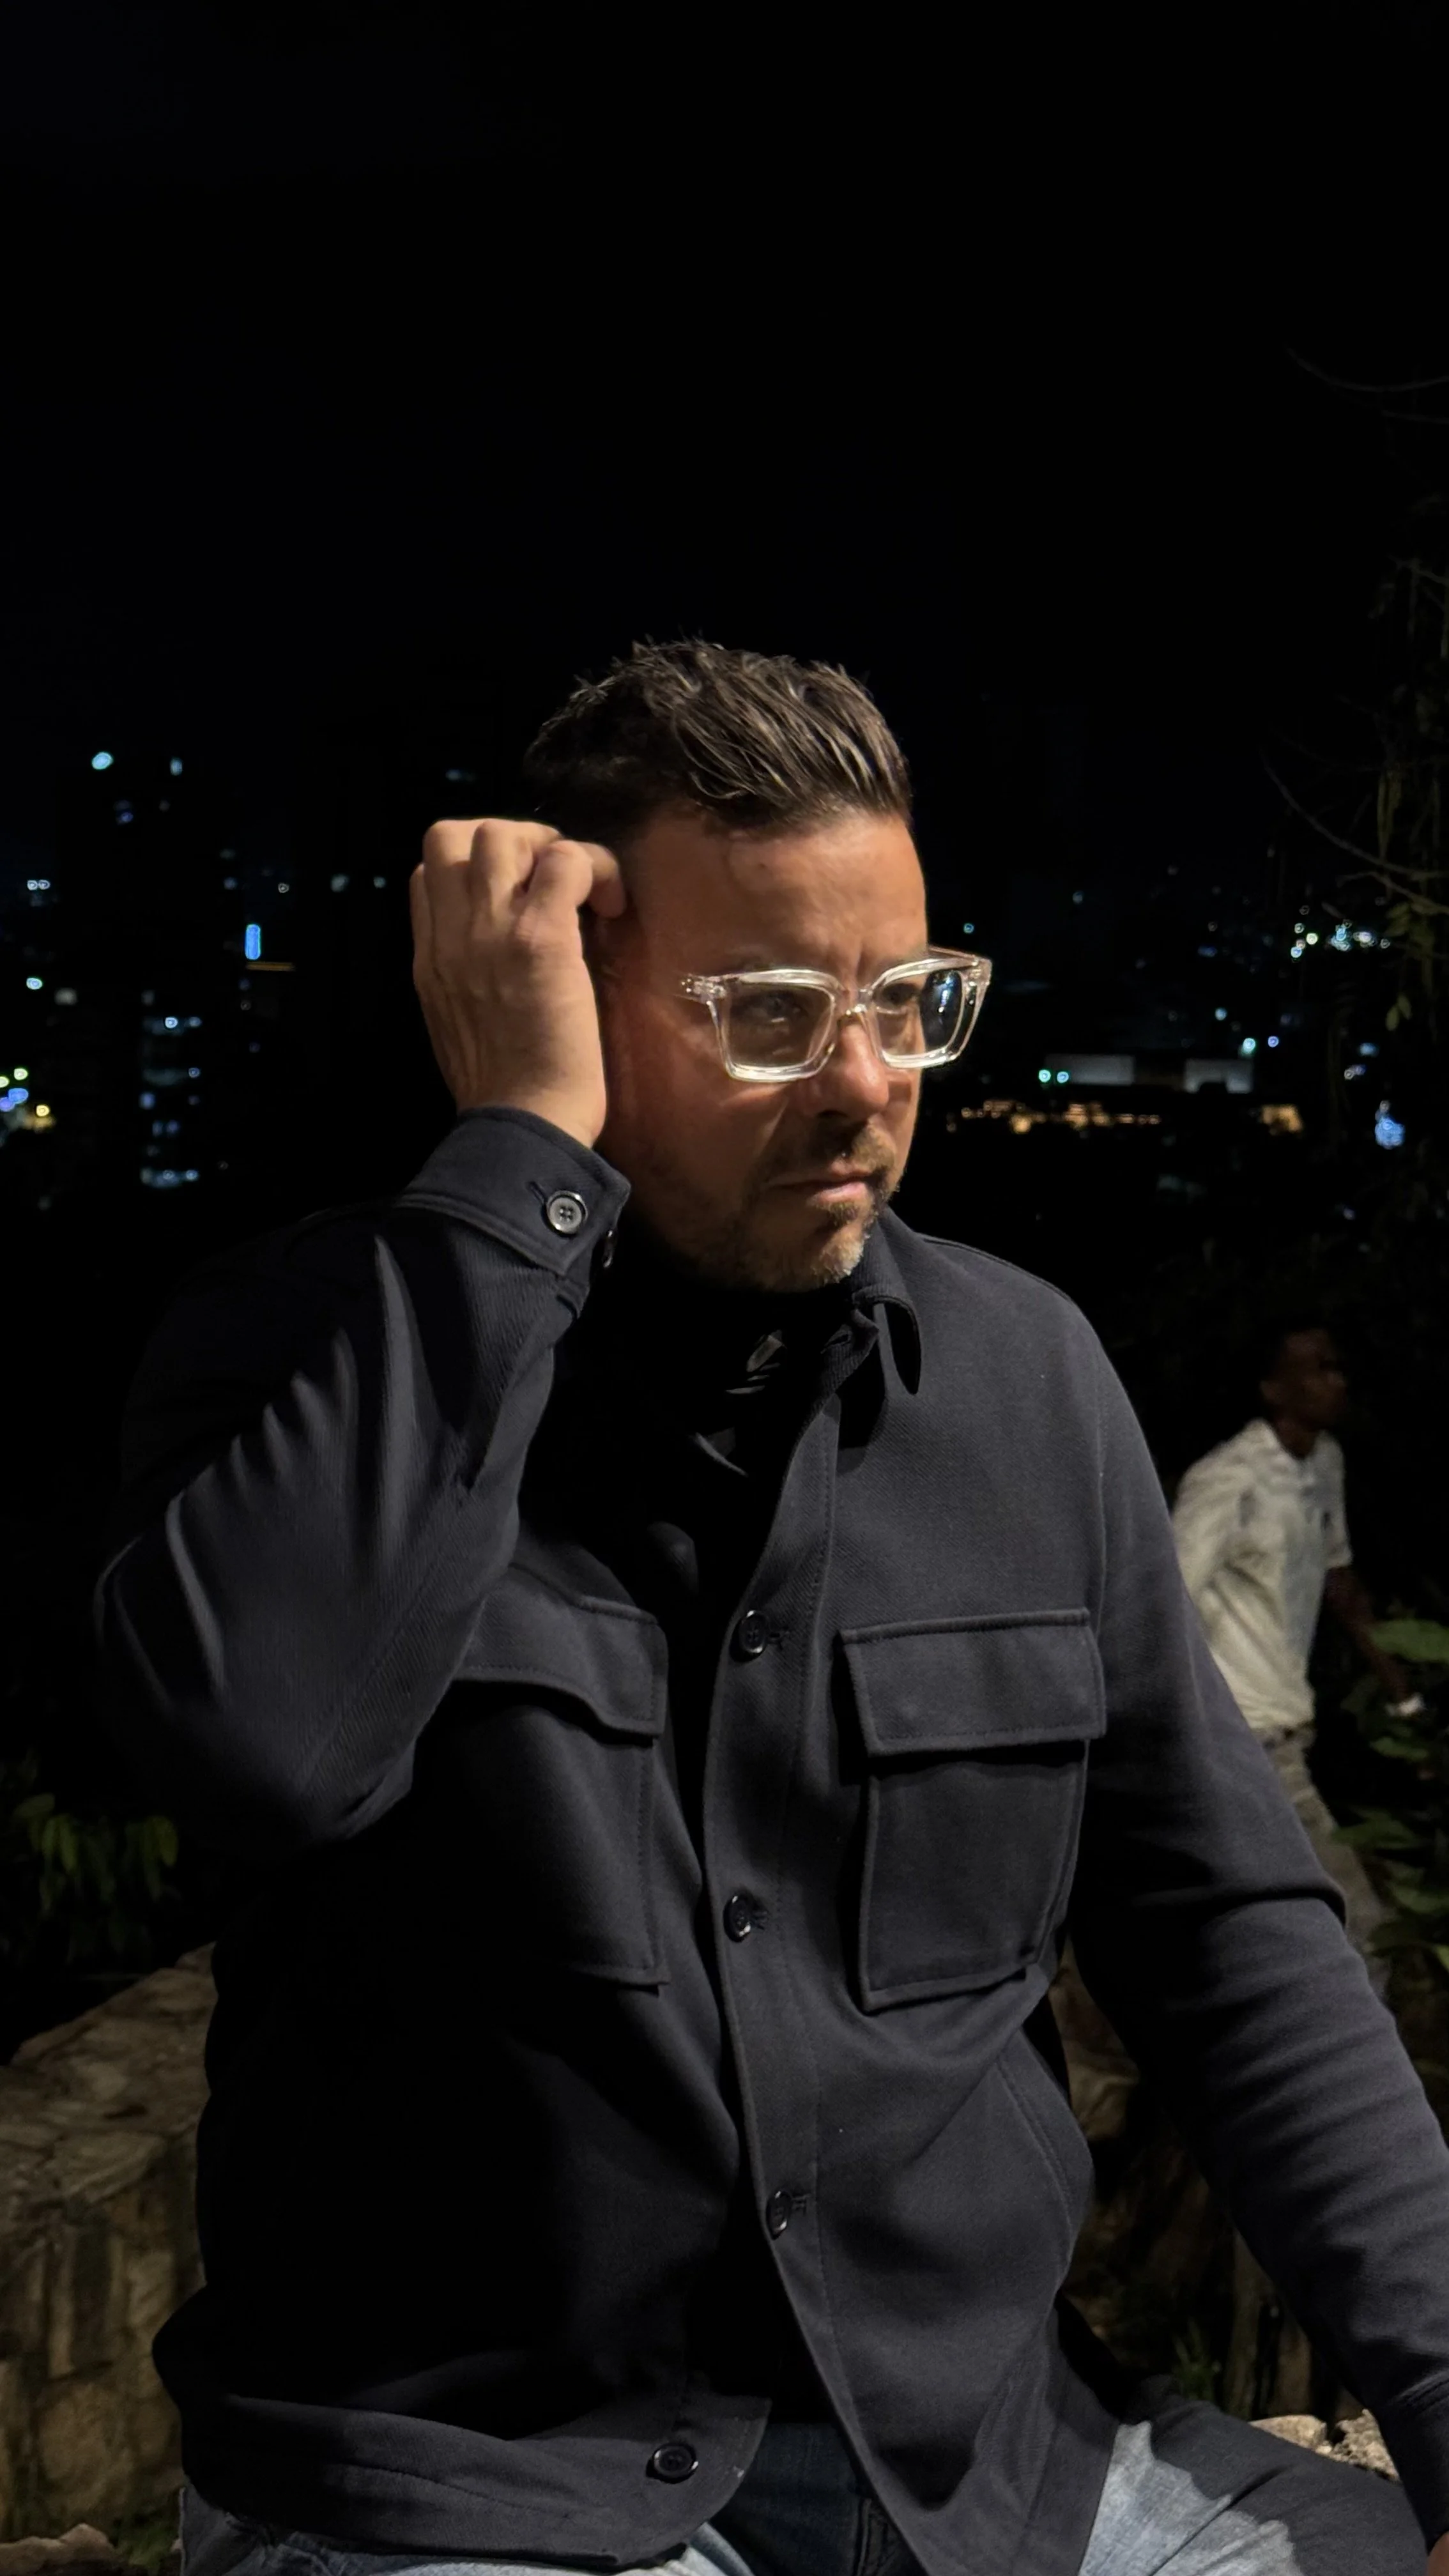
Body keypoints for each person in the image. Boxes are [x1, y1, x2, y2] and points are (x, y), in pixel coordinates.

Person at [93, 641, 1449, 2576]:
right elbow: (259, 1758)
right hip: (477, 2483)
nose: (866, 1085)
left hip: (986, 2469)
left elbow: (1229, 1937)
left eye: (906, 1004)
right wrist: (518, 1155)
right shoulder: (307, 1349)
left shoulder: (1028, 1382)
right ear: (569, 991)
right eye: (772, 1015)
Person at [1172, 1322, 1426, 1981]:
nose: (1335, 1380)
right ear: (1273, 1388)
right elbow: (1169, 1603)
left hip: (1285, 1728)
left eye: (1337, 1366)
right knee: (1361, 1932)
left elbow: (1340, 1582)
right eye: (1316, 1368)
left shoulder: (1323, 1462)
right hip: (1244, 1736)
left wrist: (1405, 1699)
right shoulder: (1228, 1478)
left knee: (1273, 1933)